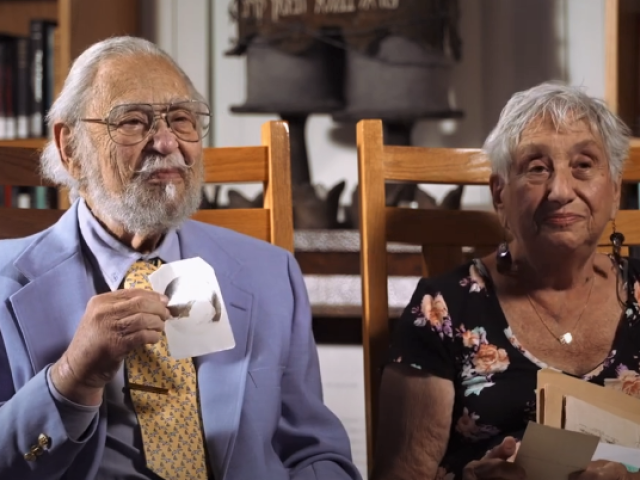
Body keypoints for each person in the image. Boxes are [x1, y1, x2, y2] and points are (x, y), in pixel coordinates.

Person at [0, 36, 361, 480]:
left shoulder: (271, 272)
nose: (167, 142)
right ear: (70, 148)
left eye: (181, 118)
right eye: (133, 121)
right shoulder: (5, 282)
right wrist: (72, 377)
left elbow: (316, 451)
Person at [372, 83, 640, 480]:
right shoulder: (442, 310)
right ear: (500, 194)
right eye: (536, 168)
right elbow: (401, 474)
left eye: (584, 165)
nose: (560, 191)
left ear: (615, 190)